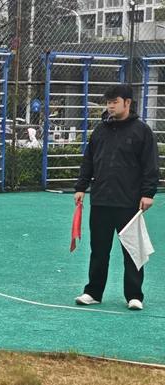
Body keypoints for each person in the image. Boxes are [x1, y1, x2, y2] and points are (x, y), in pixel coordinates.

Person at [73, 84, 159, 310]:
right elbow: (88, 160)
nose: (110, 106)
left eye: (114, 102)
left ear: (127, 103)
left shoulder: (142, 131)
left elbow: (150, 165)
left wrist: (148, 193)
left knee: (132, 250)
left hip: (129, 202)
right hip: (101, 200)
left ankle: (134, 296)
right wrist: (81, 187)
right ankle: (93, 293)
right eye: (108, 102)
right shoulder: (100, 130)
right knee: (98, 251)